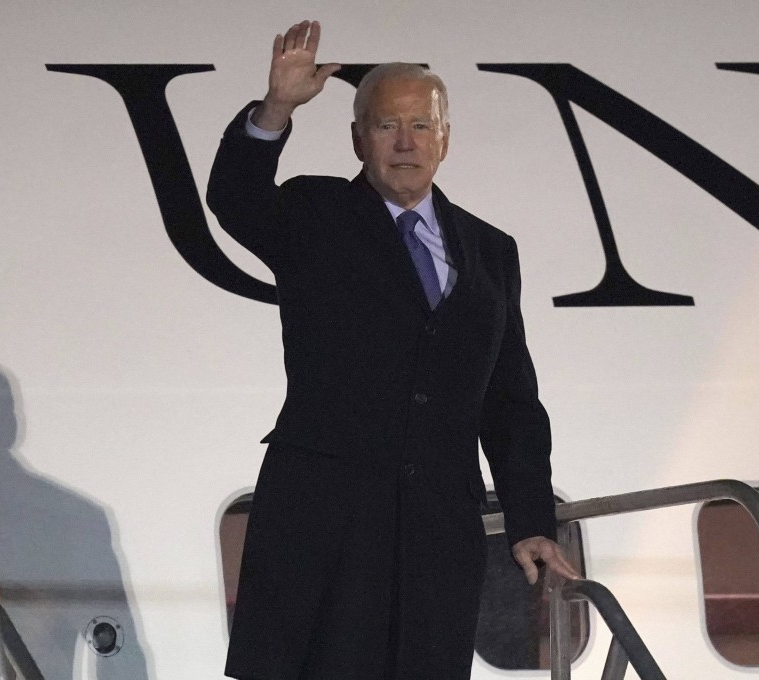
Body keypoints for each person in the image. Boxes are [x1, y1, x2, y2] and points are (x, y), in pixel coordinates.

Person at [207, 20, 580, 680]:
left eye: (422, 126)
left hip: (437, 534)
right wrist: (276, 110)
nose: (406, 143)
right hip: (326, 525)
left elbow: (511, 400)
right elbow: (234, 200)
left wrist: (530, 520)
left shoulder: (490, 250)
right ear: (359, 138)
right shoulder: (314, 212)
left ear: (445, 139)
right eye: (387, 126)